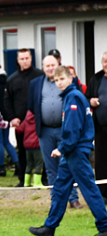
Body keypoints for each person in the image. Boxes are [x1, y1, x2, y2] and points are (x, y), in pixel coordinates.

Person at [29, 66, 107, 236]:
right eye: (56, 80)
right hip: (72, 152)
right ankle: (49, 227)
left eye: (62, 79)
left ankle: (105, 227)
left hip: (76, 151)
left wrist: (62, 148)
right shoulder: (71, 96)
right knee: (60, 188)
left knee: (89, 189)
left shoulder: (73, 97)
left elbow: (73, 128)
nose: (59, 83)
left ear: (70, 78)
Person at [30, 55, 81, 208]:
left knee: (68, 164)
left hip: (64, 130)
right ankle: (56, 199)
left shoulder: (69, 82)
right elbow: (32, 105)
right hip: (45, 131)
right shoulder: (36, 83)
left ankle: (73, 199)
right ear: (43, 67)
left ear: (58, 64)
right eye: (47, 66)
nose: (51, 68)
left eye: (53, 65)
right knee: (51, 168)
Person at [5, 49, 43, 187]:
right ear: (18, 60)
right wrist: (12, 118)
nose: (25, 61)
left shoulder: (40, 75)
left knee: (41, 151)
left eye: (27, 58)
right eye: (22, 59)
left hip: (39, 121)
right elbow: (7, 101)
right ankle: (22, 180)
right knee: (22, 151)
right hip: (21, 123)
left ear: (31, 58)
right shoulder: (12, 79)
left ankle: (43, 179)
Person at [85, 51, 107, 203]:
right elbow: (85, 97)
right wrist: (90, 101)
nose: (106, 65)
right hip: (100, 127)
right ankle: (103, 194)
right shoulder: (96, 78)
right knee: (101, 160)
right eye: (104, 62)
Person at [15, 110, 44, 187]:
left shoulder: (26, 120)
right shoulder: (39, 119)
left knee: (29, 164)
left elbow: (19, 129)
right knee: (39, 164)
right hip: (37, 145)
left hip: (27, 146)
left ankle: (26, 182)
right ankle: (37, 182)